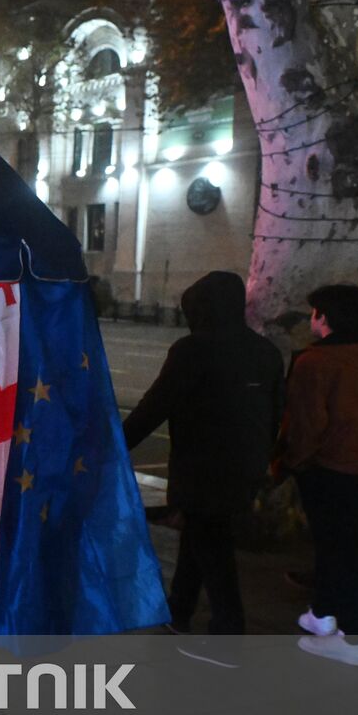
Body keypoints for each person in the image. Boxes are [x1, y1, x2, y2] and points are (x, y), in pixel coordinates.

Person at [121, 271, 284, 635]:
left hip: (202, 465)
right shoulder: (266, 351)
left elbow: (154, 407)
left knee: (212, 545)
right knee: (201, 534)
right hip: (246, 464)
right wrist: (262, 457)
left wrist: (115, 447)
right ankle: (178, 610)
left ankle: (229, 627)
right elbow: (275, 411)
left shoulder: (193, 350)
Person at [279, 284, 358, 667]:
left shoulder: (315, 363)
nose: (312, 321)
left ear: (325, 318)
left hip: (334, 470)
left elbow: (306, 427)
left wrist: (291, 463)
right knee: (344, 543)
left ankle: (353, 639)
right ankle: (322, 616)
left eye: (315, 314)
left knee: (341, 552)